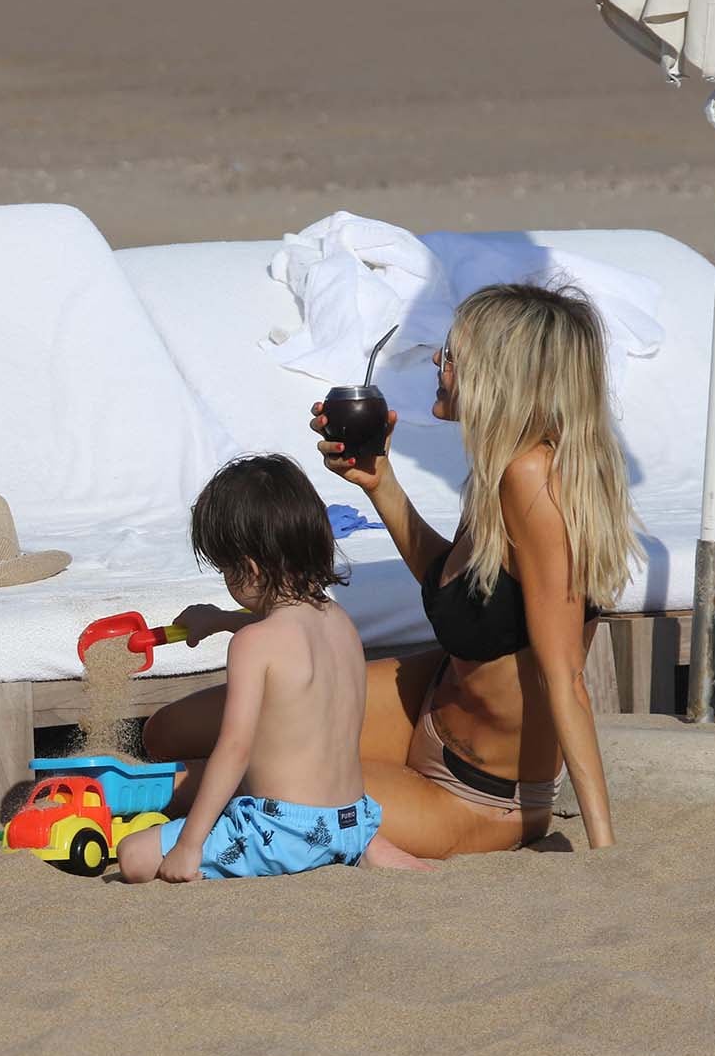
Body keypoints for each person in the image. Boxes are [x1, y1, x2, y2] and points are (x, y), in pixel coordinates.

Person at [147, 284, 635, 859]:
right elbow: (456, 585)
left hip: (473, 794)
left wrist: (605, 851)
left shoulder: (534, 483)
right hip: (424, 706)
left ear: (499, 376)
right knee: (167, 732)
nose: (437, 362)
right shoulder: (497, 470)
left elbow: (565, 680)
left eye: (452, 354)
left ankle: (111, 804)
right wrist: (380, 482)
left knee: (256, 782)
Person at [119, 455, 428, 883]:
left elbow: (234, 749)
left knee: (132, 854)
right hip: (351, 820)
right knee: (333, 824)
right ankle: (366, 848)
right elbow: (288, 637)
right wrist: (220, 619)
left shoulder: (253, 645)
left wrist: (190, 845)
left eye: (226, 568)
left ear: (248, 568)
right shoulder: (338, 622)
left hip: (283, 831)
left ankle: (289, 851)